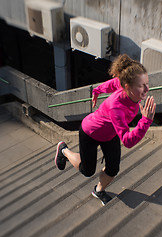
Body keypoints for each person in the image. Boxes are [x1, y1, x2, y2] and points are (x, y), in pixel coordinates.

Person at [54, 54, 156, 206]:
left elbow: (109, 84)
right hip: (91, 132)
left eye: (146, 84)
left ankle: (98, 190)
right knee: (87, 171)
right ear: (127, 86)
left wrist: (96, 91)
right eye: (141, 86)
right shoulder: (117, 106)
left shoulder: (123, 83)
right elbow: (127, 141)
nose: (146, 89)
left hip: (110, 133)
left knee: (113, 168)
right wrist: (145, 121)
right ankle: (64, 150)